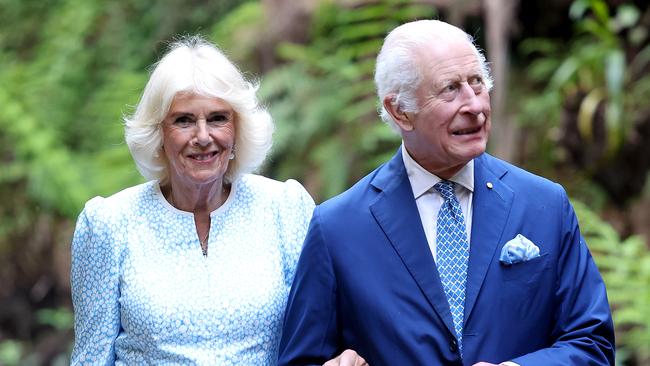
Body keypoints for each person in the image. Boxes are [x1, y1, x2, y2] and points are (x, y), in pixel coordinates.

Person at [278, 20, 615, 366]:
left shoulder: (545, 204)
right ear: (400, 111)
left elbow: (593, 343)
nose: (474, 105)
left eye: (477, 83)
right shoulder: (337, 227)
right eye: (450, 89)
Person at [70, 36, 316, 364]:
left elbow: (321, 335)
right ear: (158, 133)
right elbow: (90, 358)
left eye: (217, 118)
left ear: (238, 128)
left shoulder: (285, 208)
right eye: (184, 120)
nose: (202, 137)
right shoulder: (110, 223)